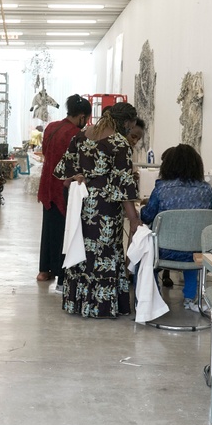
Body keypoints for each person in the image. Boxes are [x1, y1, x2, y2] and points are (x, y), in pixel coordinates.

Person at [55, 101, 141, 319]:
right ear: (126, 122)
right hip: (105, 207)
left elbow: (65, 175)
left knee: (81, 249)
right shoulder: (119, 143)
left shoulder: (81, 136)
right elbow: (123, 185)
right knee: (105, 252)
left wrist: (79, 177)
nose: (130, 131)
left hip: (81, 203)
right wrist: (133, 218)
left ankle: (79, 303)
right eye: (130, 127)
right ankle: (101, 306)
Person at [140, 144, 212, 312]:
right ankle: (190, 299)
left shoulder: (161, 189)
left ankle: (152, 298)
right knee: (192, 244)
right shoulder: (207, 190)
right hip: (196, 254)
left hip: (164, 251)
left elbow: (146, 216)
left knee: (144, 253)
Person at [36, 94, 92, 283]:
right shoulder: (76, 134)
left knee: (48, 228)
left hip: (47, 184)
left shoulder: (51, 127)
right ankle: (62, 275)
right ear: (82, 116)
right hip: (65, 187)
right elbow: (80, 161)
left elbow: (45, 152)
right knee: (65, 230)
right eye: (86, 120)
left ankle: (44, 271)